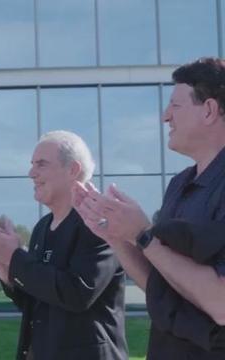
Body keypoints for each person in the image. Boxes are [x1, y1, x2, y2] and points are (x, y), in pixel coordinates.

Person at [73, 57, 225, 359]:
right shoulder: (179, 184)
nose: (165, 117)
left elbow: (221, 304)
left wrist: (143, 235)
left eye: (176, 106)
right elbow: (159, 283)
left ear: (208, 110)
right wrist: (115, 236)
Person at [0, 131, 127, 360]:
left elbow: (78, 293)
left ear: (73, 170)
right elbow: (37, 301)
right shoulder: (42, 228)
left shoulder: (98, 223)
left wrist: (14, 257)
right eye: (32, 165)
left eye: (41, 164)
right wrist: (5, 270)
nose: (31, 173)